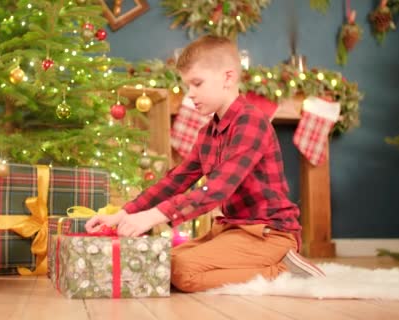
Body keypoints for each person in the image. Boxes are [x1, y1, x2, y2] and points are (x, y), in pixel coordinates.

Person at [85, 35, 324, 293]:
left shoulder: (250, 122)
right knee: (163, 261)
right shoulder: (208, 133)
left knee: (183, 271)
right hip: (233, 231)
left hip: (269, 234)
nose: (191, 94)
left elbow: (217, 190)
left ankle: (285, 270)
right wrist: (124, 213)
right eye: (188, 86)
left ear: (228, 78)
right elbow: (174, 181)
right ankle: (259, 265)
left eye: (197, 84)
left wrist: (153, 217)